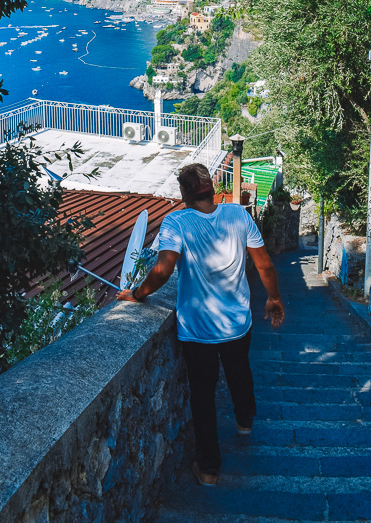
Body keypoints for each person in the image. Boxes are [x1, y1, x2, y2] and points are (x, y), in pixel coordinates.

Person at [117, 161, 284, 487]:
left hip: (198, 330)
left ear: (184, 193)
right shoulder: (238, 215)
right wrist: (274, 298)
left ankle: (209, 468)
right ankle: (245, 421)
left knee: (203, 396)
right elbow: (263, 264)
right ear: (211, 186)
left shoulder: (176, 222)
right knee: (240, 371)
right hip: (237, 322)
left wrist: (136, 294)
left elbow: (163, 271)